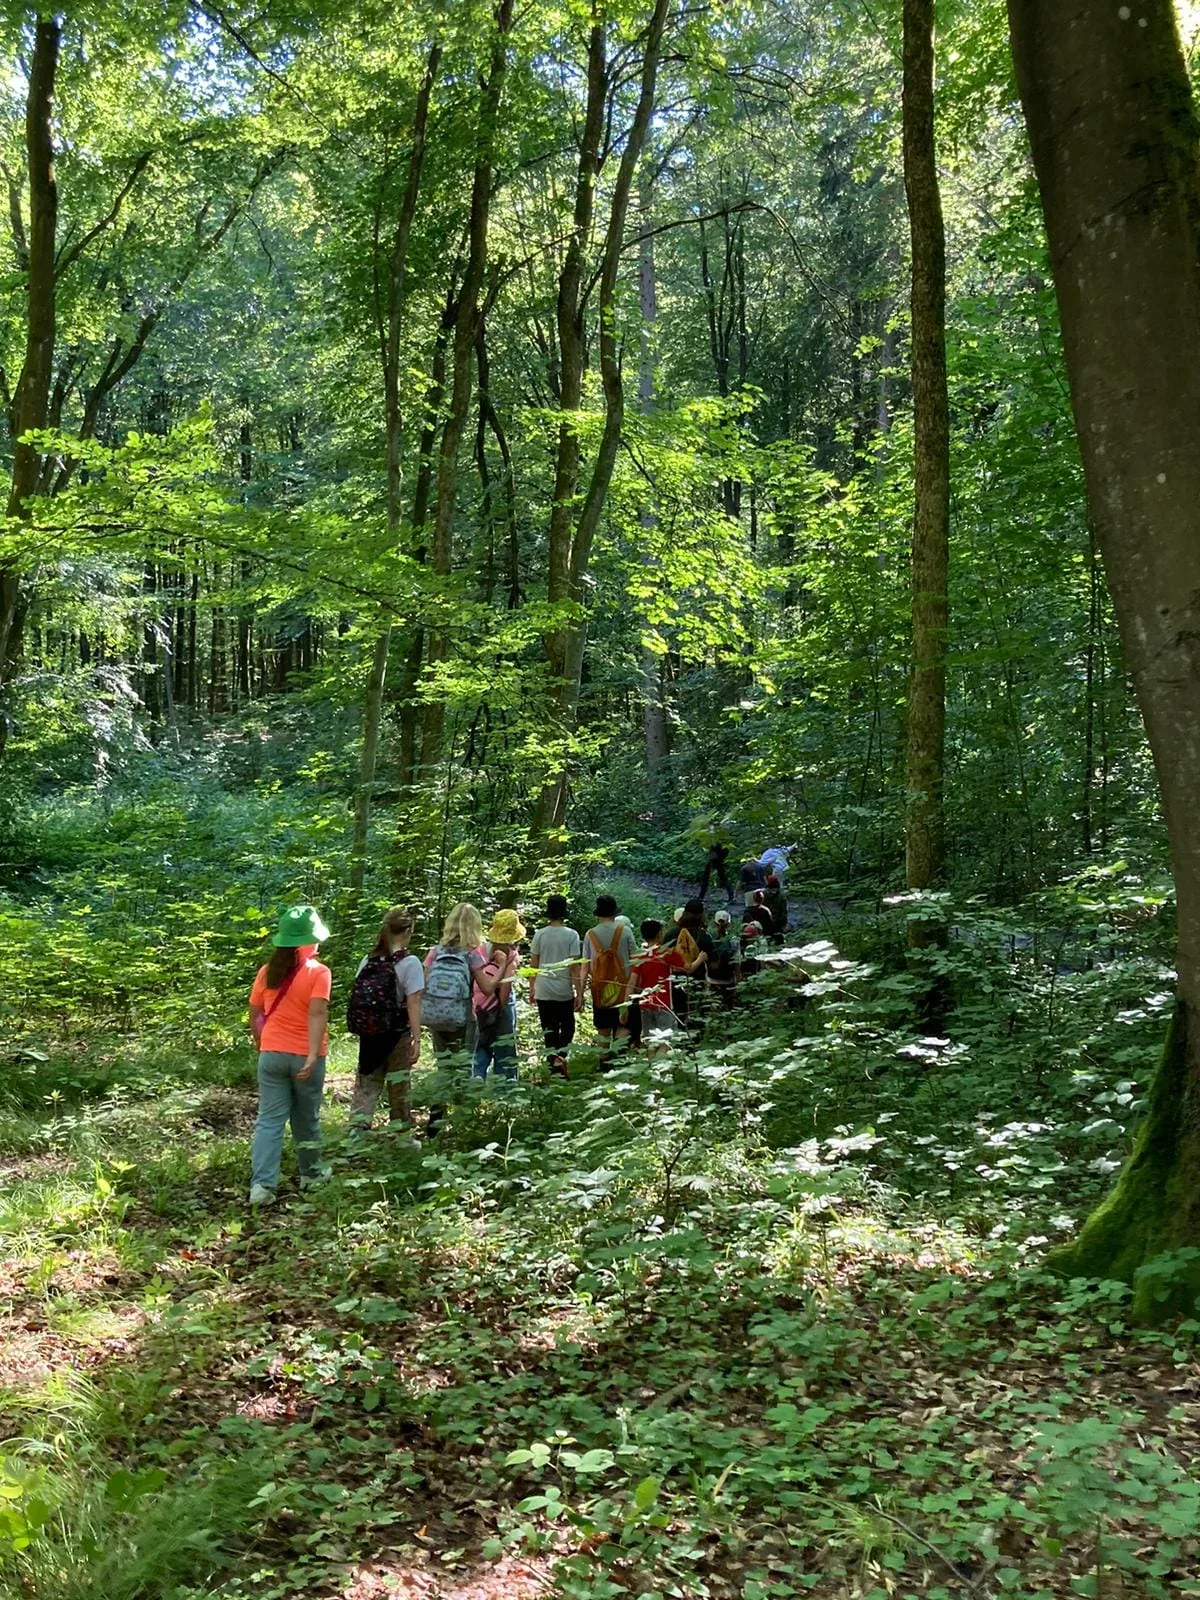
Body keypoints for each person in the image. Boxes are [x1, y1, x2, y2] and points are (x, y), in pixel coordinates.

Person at [247, 903, 332, 1206]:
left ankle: (261, 1186)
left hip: (271, 1054)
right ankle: (311, 1175)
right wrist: (311, 1054)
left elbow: (256, 1011)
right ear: (309, 941)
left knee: (269, 1120)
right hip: (304, 1055)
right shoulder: (319, 972)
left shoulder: (268, 971)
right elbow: (317, 1012)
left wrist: (263, 1040)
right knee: (306, 1118)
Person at [347, 907, 424, 1133]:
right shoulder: (410, 963)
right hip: (396, 1033)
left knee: (367, 1081)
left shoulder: (368, 960)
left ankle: (357, 1131)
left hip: (369, 1033)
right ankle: (401, 1133)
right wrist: (417, 1040)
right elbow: (414, 1002)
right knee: (399, 1084)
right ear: (408, 930)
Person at [423, 902, 488, 1133]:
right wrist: (502, 966)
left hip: (437, 1016)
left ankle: (436, 1119)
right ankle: (463, 1121)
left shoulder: (435, 952)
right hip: (463, 1018)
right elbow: (487, 988)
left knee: (443, 1066)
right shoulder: (472, 954)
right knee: (463, 1067)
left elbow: (424, 983)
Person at [528, 895, 583, 1075]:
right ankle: (560, 1059)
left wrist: (531, 988)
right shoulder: (571, 935)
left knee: (549, 1031)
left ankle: (554, 1067)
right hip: (563, 990)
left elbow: (533, 965)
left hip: (543, 990)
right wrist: (580, 992)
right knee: (568, 1028)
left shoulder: (540, 934)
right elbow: (574, 968)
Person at [473, 909, 524, 1086]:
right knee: (505, 1045)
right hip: (499, 1006)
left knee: (480, 1043)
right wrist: (499, 1008)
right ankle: (506, 1087)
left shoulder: (480, 949)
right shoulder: (511, 956)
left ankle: (477, 1076)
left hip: (479, 1006)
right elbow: (506, 988)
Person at [582, 895, 636, 1055]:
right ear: (614, 913)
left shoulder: (590, 934)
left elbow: (585, 965)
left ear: (598, 914)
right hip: (624, 988)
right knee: (623, 1026)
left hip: (600, 989)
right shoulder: (625, 931)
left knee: (603, 1029)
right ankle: (618, 1061)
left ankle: (603, 1063)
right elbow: (636, 960)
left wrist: (580, 993)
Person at [624, 919, 684, 1054]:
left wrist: (625, 1005)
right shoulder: (666, 953)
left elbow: (632, 982)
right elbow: (688, 968)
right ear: (659, 935)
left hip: (645, 1003)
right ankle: (660, 1069)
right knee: (666, 1040)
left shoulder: (640, 955)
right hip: (664, 1003)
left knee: (650, 1041)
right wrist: (700, 959)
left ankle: (652, 1069)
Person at [663, 898, 713, 1031]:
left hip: (675, 980)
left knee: (678, 1012)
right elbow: (713, 961)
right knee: (696, 1012)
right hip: (697, 980)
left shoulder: (670, 935)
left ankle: (680, 1039)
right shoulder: (704, 936)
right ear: (701, 915)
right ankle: (696, 1041)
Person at [707, 908, 741, 1008]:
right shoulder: (734, 940)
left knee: (712, 1007)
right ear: (729, 924)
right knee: (728, 1006)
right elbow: (737, 961)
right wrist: (738, 979)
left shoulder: (708, 938)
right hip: (728, 980)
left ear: (714, 922)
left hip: (712, 979)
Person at [699, 821, 734, 901]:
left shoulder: (716, 837)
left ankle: (701, 896)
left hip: (714, 859)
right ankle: (731, 895)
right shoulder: (722, 836)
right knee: (723, 878)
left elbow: (713, 846)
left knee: (706, 878)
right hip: (718, 860)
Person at [762, 874, 788, 946]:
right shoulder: (781, 895)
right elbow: (784, 911)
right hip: (772, 922)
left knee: (773, 940)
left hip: (772, 922)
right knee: (774, 940)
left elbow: (784, 911)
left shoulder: (763, 894)